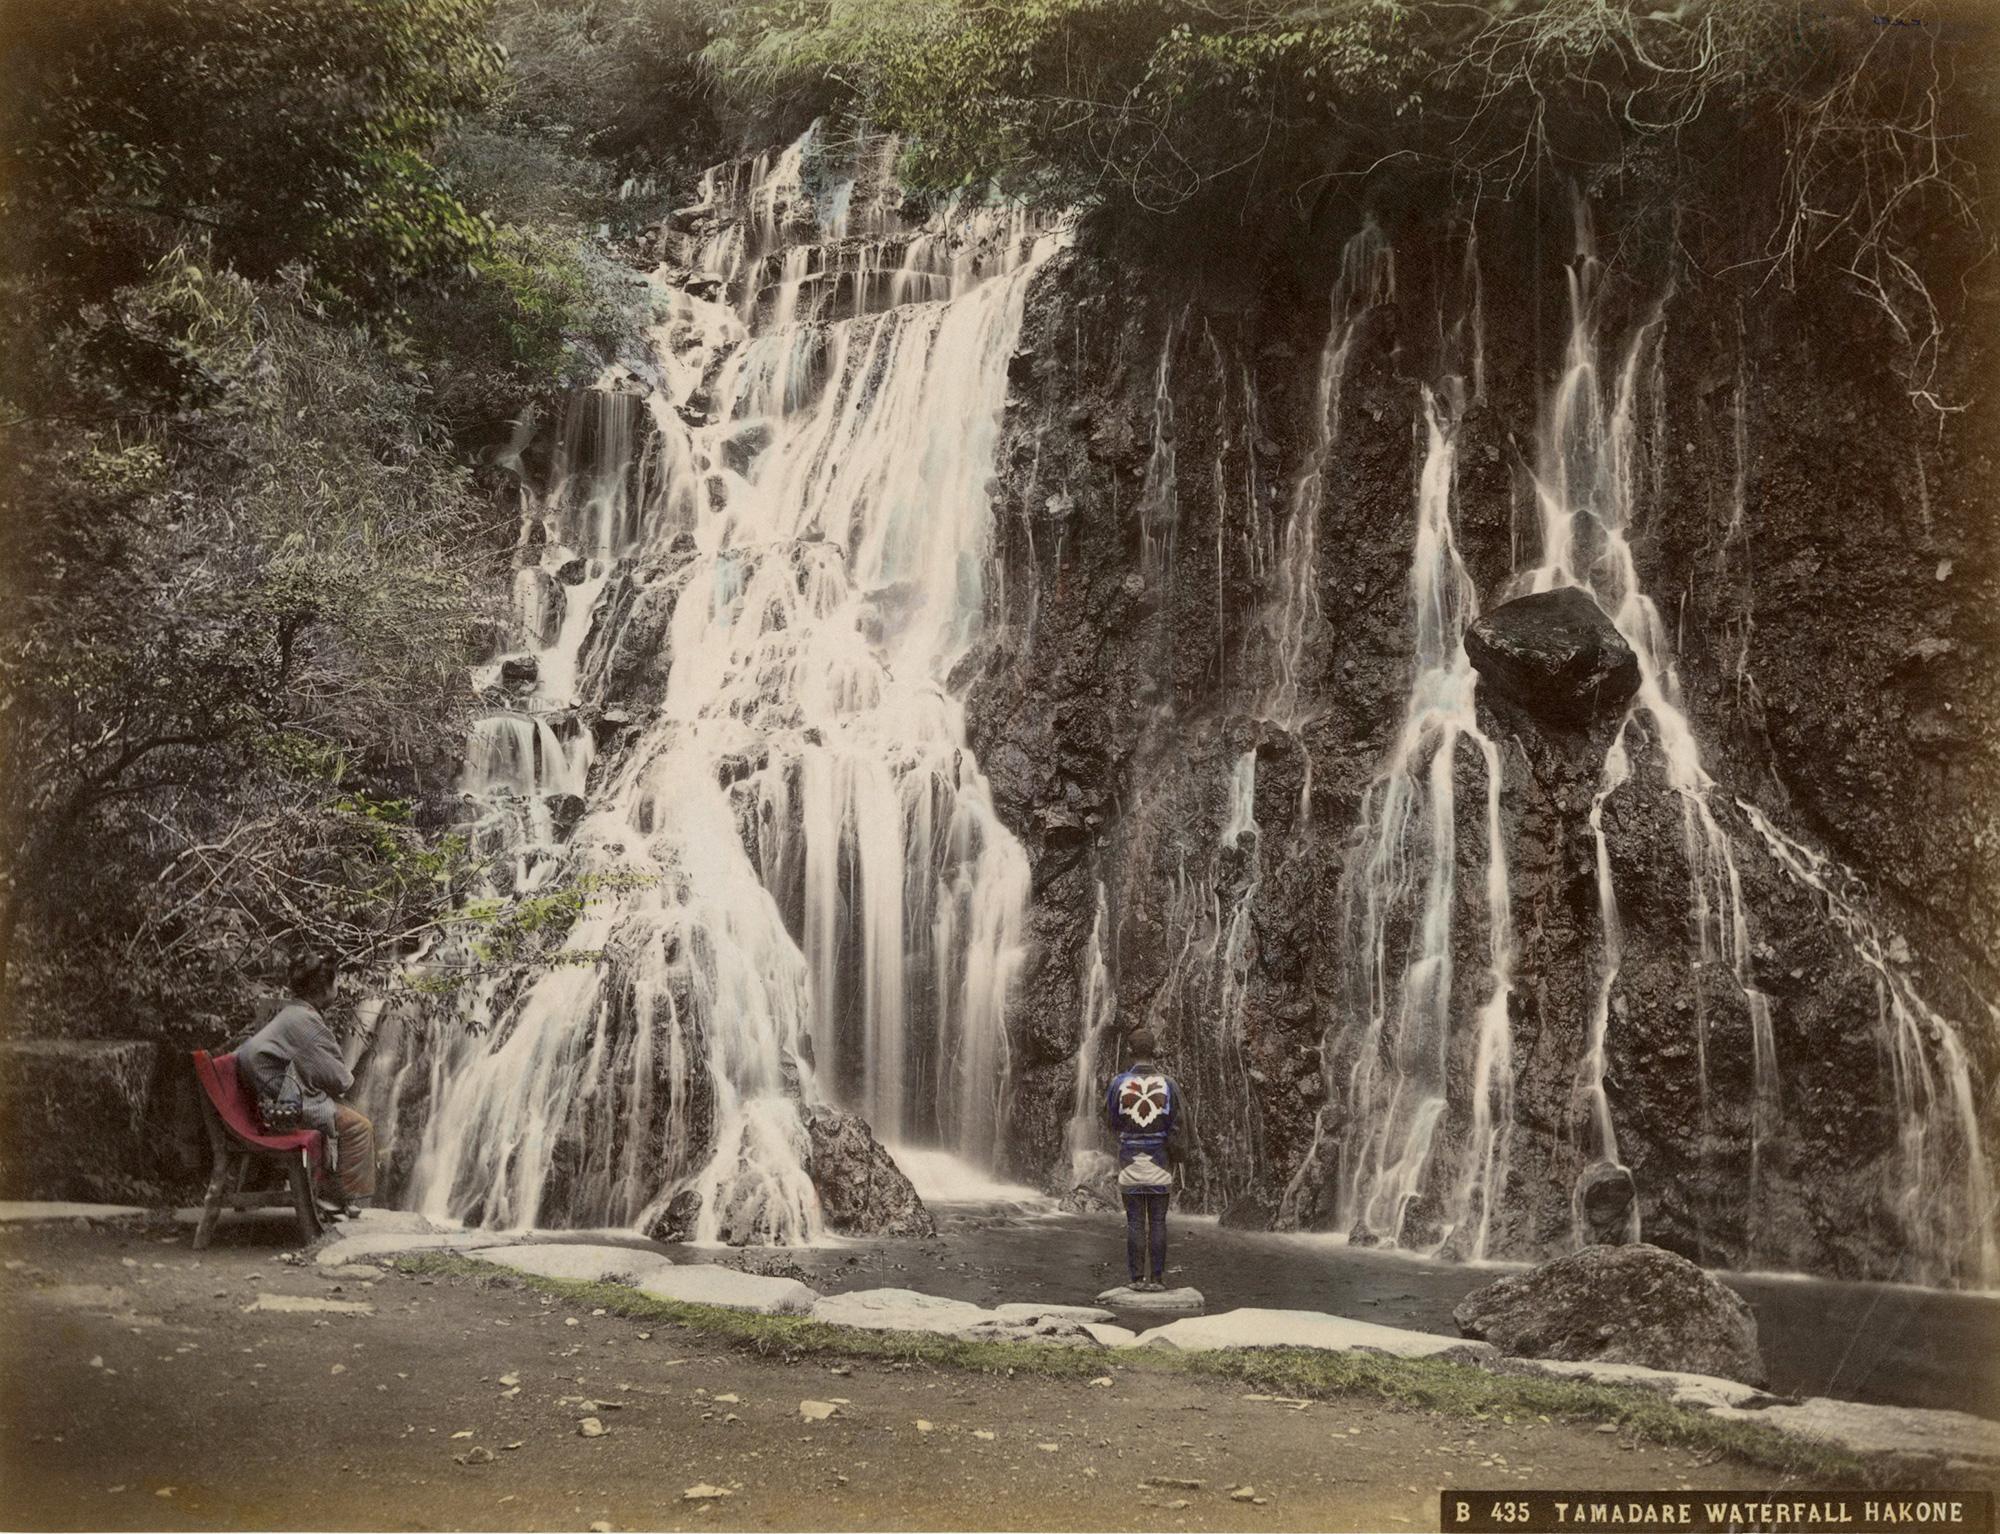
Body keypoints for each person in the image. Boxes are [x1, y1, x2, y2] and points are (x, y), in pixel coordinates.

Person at [236, 952, 376, 1217]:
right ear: (323, 989)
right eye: (336, 983)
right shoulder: (307, 1022)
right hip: (285, 1104)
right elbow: (340, 1080)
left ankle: (331, 1192)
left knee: (342, 1111)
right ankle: (336, 1197)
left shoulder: (292, 1013)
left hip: (271, 1095)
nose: (338, 988)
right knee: (359, 1127)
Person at [1103, 1027, 1183, 1292]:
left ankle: (1136, 1280)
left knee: (1135, 1222)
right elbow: (1178, 1123)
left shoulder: (1119, 1083)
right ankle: (1157, 1280)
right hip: (1160, 1159)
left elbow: (1110, 1119)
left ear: (1129, 1050)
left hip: (1130, 1158)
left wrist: (1127, 1135)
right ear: (1155, 1051)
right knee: (1158, 1221)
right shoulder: (1168, 1084)